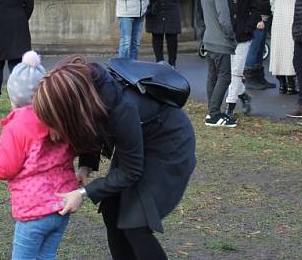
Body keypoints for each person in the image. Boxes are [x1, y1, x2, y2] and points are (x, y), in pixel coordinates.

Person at [35, 58, 196, 260]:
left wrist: (83, 193)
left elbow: (131, 171)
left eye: (54, 123)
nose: (54, 132)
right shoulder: (89, 93)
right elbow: (91, 126)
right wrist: (85, 166)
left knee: (136, 223)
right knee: (111, 209)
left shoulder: (121, 108)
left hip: (168, 144)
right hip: (139, 141)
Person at [0, 51, 75, 260]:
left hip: (34, 209)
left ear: (15, 97)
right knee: (46, 256)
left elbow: (5, 166)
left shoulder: (18, 125)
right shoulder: (61, 116)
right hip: (62, 205)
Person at [200, 0, 237, 126]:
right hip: (220, 42)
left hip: (209, 40)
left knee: (212, 77)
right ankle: (215, 114)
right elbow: (224, 20)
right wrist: (231, 37)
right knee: (225, 77)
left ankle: (211, 112)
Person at [225, 0, 260, 117]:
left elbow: (255, 7)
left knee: (236, 70)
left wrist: (248, 26)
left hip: (243, 34)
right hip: (225, 34)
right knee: (227, 71)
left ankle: (229, 107)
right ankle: (243, 95)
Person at [268, 0, 302, 94]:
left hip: (278, 14)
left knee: (278, 48)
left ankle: (281, 83)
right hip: (292, 13)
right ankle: (291, 84)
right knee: (291, 49)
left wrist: (274, 9)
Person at [244, 0, 278, 90]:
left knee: (258, 48)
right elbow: (254, 2)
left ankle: (258, 77)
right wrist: (259, 19)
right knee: (255, 48)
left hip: (262, 17)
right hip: (259, 19)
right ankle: (251, 78)